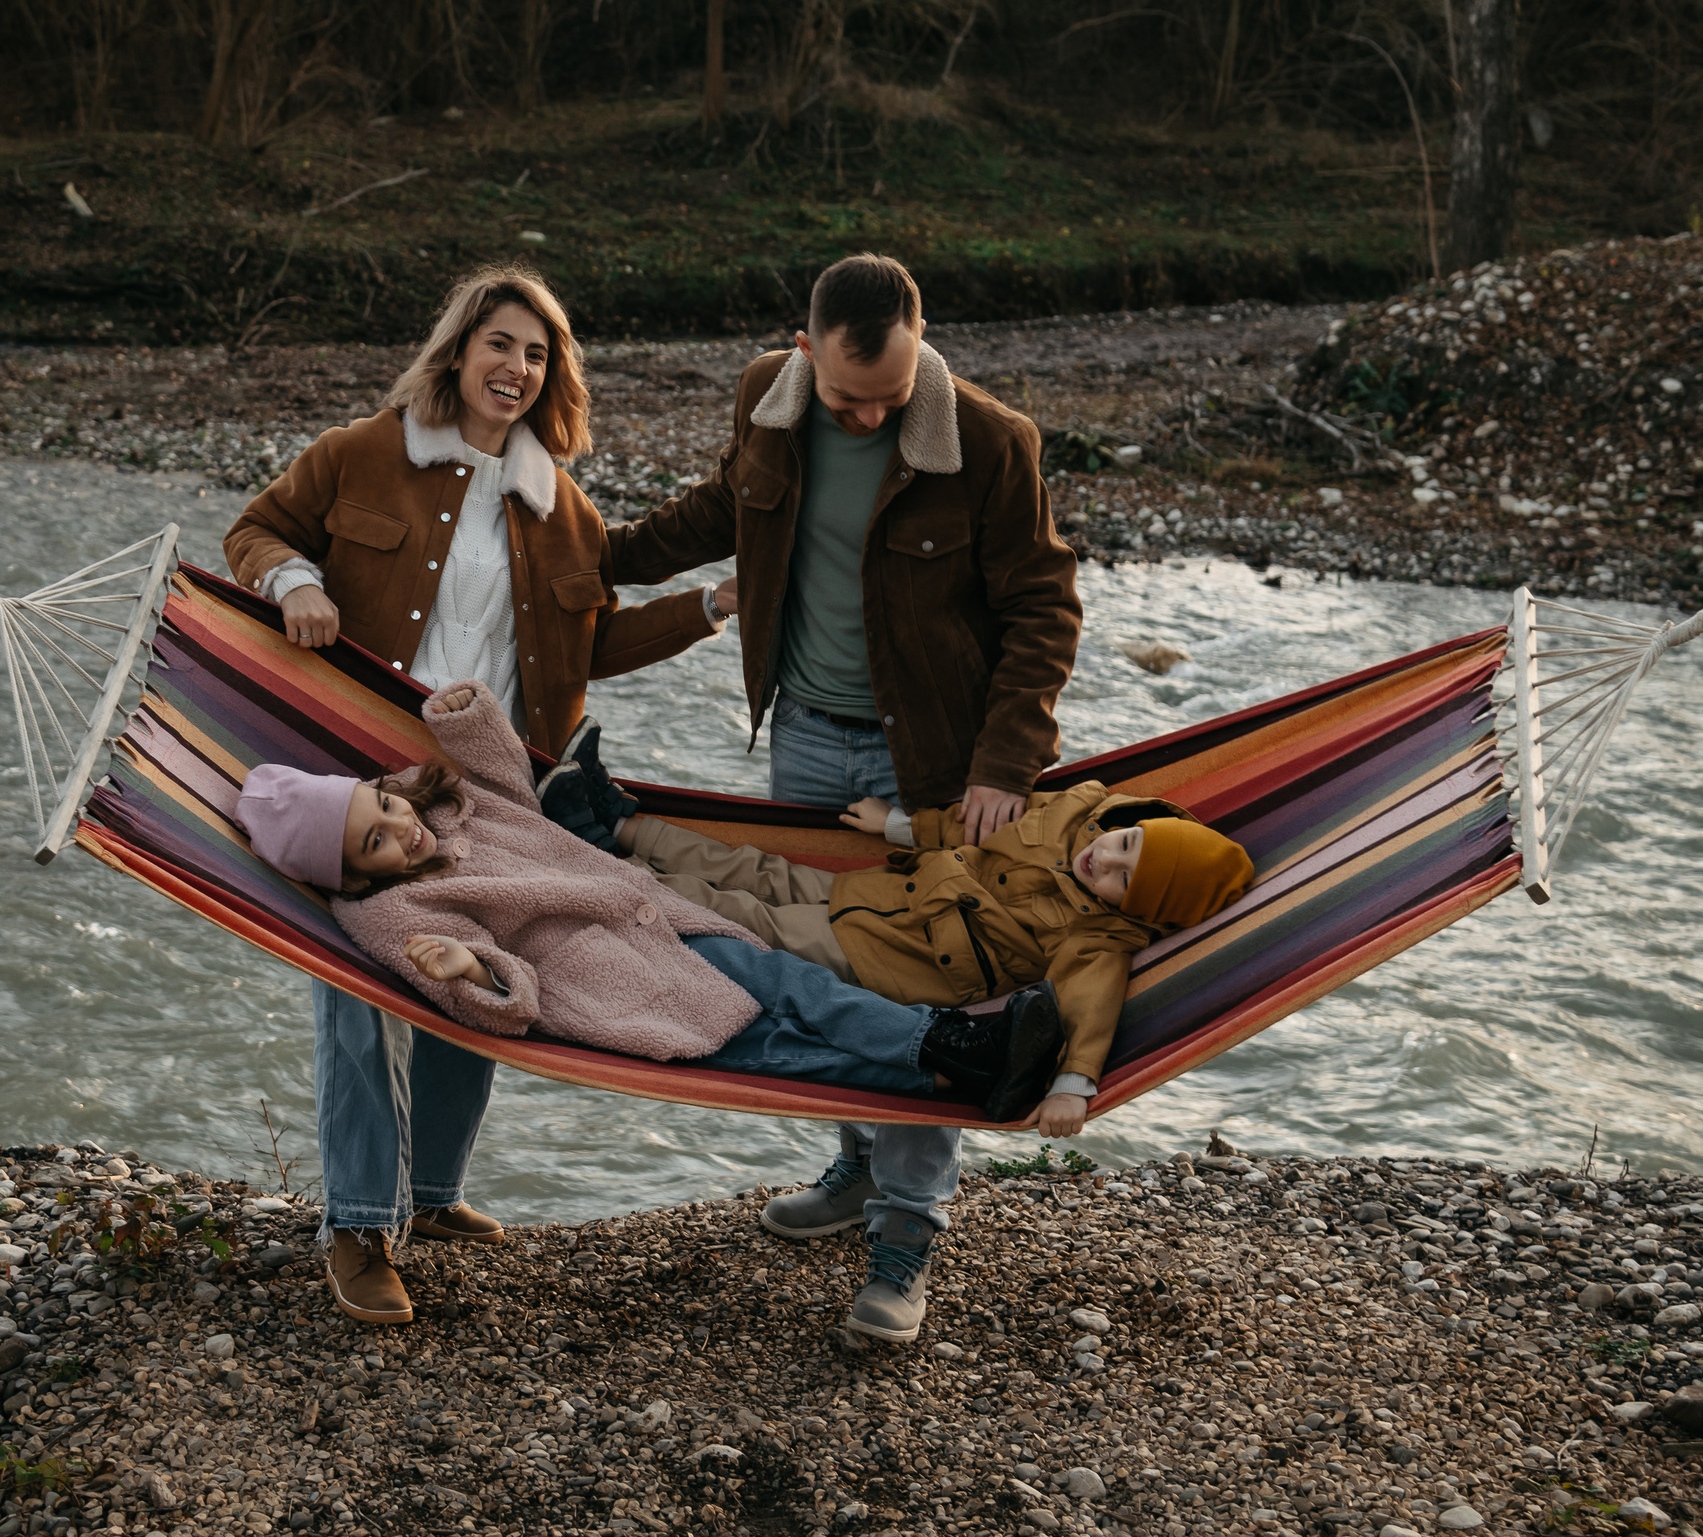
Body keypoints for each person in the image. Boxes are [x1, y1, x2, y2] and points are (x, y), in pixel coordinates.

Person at [230, 682, 1070, 1328]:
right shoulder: (388, 910)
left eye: (383, 808)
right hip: (611, 983)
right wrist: (467, 965)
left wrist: (464, 711)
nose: (398, 830)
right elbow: (497, 997)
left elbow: (499, 772)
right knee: (781, 1049)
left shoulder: (442, 801)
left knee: (806, 989)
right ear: (354, 877)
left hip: (666, 916)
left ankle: (953, 1044)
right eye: (374, 842)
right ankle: (951, 1071)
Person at [223, 267, 724, 1326]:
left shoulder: (562, 506)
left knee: (472, 971)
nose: (517, 367)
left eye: (537, 354)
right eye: (500, 343)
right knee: (357, 984)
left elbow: (593, 643)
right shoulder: (361, 451)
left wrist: (708, 607)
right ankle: (360, 1221)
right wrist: (297, 582)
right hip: (362, 773)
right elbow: (255, 531)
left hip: (496, 786)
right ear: (458, 348)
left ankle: (435, 1193)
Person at [602, 252, 1085, 1341]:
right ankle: (860, 1161)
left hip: (937, 766)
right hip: (806, 743)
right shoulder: (764, 399)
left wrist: (1005, 767)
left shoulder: (993, 441)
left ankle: (907, 1236)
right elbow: (723, 510)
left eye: (889, 398)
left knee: (933, 979)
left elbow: (1043, 611)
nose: (867, 415)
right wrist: (584, 555)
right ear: (804, 346)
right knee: (813, 951)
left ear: (922, 346)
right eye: (844, 397)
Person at [544, 740, 1254, 1340]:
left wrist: (1075, 1081)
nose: (1107, 861)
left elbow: (1091, 998)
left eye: (1123, 880)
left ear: (1133, 912)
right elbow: (979, 829)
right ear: (1130, 821)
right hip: (886, 892)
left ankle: (596, 871)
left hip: (898, 961)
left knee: (743, 917)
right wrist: (902, 827)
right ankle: (621, 825)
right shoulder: (1081, 809)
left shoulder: (1100, 932)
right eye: (1123, 843)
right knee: (756, 867)